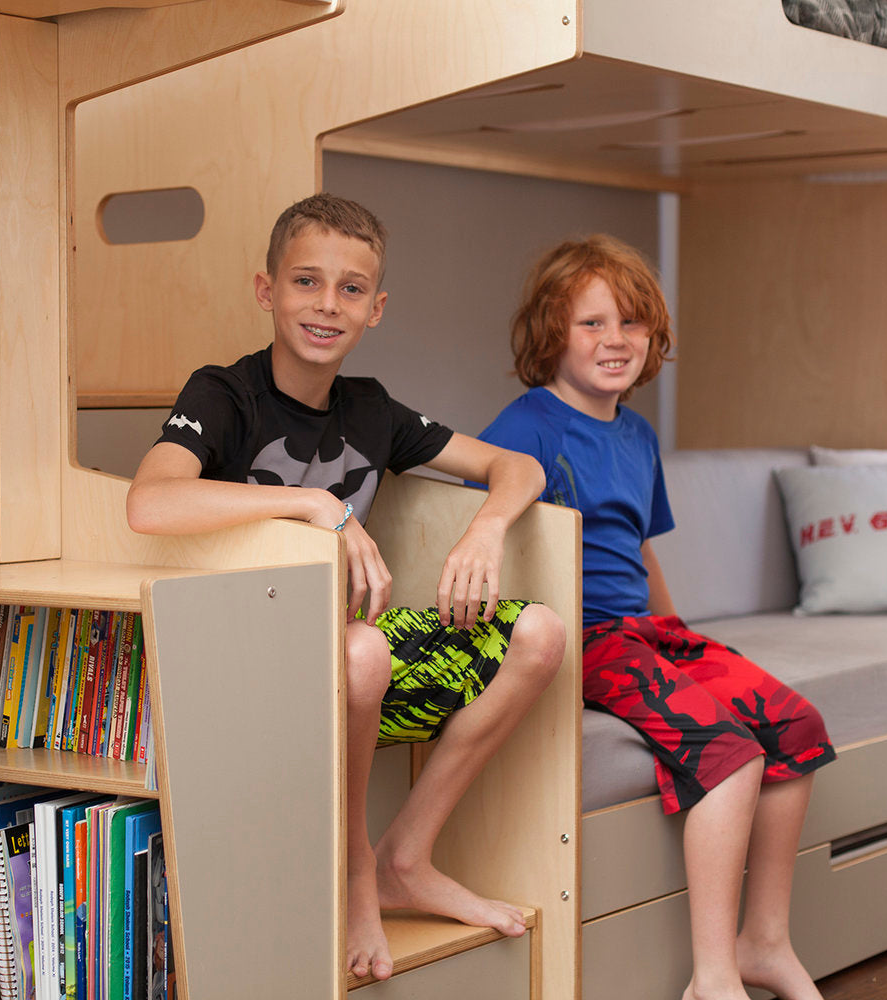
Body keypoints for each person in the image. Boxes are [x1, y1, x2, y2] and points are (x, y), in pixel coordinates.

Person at [126, 193, 566, 981]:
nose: (327, 305)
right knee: (363, 649)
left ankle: (406, 856)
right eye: (306, 282)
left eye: (352, 289)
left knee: (540, 633)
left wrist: (487, 528)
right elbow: (151, 500)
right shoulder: (223, 394)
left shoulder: (372, 409)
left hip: (357, 666)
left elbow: (518, 466)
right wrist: (314, 504)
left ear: (377, 308)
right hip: (250, 673)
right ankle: (359, 871)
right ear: (267, 291)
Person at [479, 235, 836, 1000]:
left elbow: (641, 554)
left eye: (633, 325)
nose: (617, 342)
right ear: (551, 335)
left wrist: (686, 644)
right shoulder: (527, 428)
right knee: (729, 752)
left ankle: (763, 942)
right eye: (592, 325)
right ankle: (712, 978)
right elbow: (488, 541)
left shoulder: (638, 437)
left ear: (654, 338)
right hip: (584, 639)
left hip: (644, 633)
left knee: (796, 725)